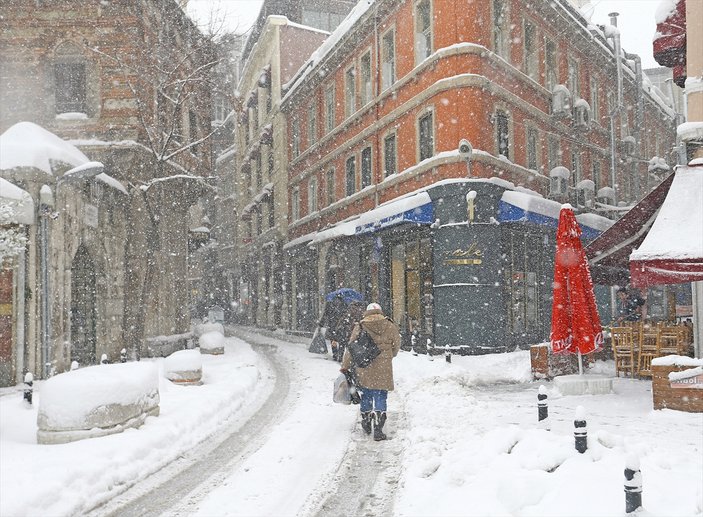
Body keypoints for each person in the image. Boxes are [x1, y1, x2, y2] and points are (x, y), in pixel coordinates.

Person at [340, 303, 401, 441]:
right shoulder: (389, 325)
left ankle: (366, 421)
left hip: (364, 365)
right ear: (380, 311)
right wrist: (390, 354)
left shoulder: (360, 326)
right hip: (383, 365)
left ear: (367, 312)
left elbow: (351, 347)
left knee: (367, 393)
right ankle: (379, 427)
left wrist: (345, 365)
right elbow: (396, 344)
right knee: (380, 394)